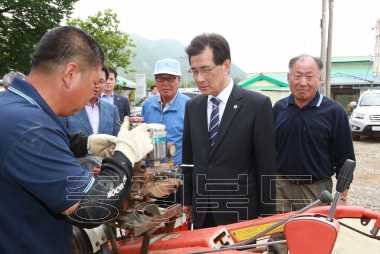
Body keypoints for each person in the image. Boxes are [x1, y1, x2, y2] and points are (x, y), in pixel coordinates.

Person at [0, 26, 153, 254]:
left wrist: (85, 144)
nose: (95, 93)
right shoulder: (31, 127)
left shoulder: (12, 107)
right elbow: (90, 208)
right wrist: (125, 155)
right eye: (93, 84)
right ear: (70, 73)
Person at [182, 33, 276, 229]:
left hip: (240, 213)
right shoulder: (193, 107)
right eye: (194, 71)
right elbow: (189, 161)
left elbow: (266, 168)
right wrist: (187, 200)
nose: (199, 78)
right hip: (203, 212)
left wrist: (267, 220)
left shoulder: (256, 105)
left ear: (226, 66)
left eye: (206, 70)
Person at [271, 54, 356, 253]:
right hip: (280, 186)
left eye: (309, 76)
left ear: (320, 78)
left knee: (310, 242)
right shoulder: (279, 108)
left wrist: (343, 194)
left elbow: (345, 157)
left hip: (316, 190)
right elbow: (271, 148)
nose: (303, 82)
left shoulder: (334, 112)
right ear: (288, 77)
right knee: (275, 239)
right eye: (297, 75)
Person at [142, 58, 190, 205]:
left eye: (170, 78)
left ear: (179, 80)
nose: (165, 83)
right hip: (149, 176)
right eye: (160, 78)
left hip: (177, 177)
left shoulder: (189, 106)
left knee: (176, 220)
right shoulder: (148, 105)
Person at [63, 65, 120, 136]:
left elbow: (117, 139)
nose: (96, 85)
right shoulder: (67, 108)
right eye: (93, 80)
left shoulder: (112, 110)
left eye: (101, 81)